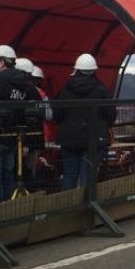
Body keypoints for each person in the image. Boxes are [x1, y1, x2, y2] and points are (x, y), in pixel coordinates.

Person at [53, 53, 116, 191]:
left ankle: (68, 207)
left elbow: (56, 115)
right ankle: (88, 207)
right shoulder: (101, 91)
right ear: (94, 70)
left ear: (77, 69)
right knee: (88, 176)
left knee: (69, 175)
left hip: (69, 140)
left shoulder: (65, 90)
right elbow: (111, 115)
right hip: (94, 140)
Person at [0, 46, 31, 203]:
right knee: (8, 174)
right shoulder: (23, 83)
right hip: (12, 137)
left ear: (1, 62)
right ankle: (9, 210)